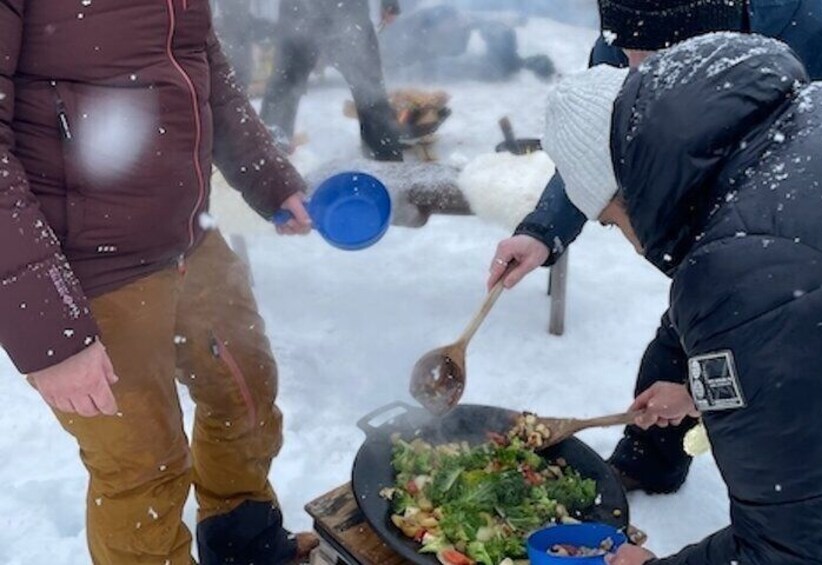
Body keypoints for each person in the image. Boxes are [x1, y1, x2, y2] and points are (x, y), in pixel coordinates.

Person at [488, 0, 822, 495]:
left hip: (812, 219)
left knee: (772, 366)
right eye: (625, 59)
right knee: (687, 331)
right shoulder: (627, 33)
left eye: (650, 61)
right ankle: (646, 464)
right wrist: (543, 228)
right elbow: (596, 144)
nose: (634, 75)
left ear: (708, 38)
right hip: (723, 213)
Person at [0, 2, 317, 563]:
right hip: (88, 267)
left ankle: (244, 544)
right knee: (142, 465)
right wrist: (51, 334)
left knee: (245, 394)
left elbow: (204, 65)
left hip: (188, 237)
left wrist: (268, 175)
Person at [260, 0, 405, 161]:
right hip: (330, 14)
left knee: (370, 93)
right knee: (370, 93)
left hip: (323, 15)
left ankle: (265, 159)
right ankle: (266, 159)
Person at [379, 5, 556, 82]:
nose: (462, 24)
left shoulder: (458, 21)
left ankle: (517, 63)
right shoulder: (410, 36)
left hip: (433, 57)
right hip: (390, 60)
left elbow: (484, 20)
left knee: (497, 65)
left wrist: (506, 24)